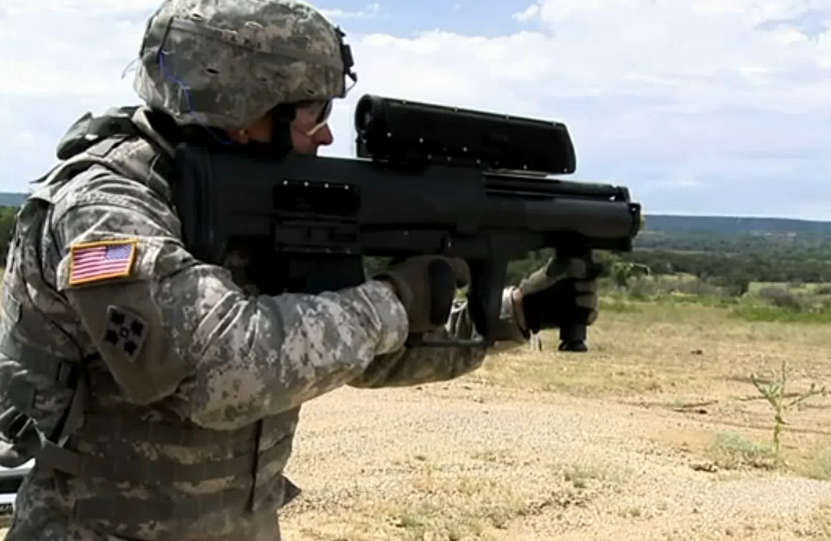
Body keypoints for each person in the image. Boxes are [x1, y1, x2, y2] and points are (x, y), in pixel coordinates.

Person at [0, 0, 598, 540]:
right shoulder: (105, 206)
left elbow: (353, 352)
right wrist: (393, 300)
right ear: (245, 107)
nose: (327, 133)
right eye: (314, 113)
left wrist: (516, 313)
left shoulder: (257, 200)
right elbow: (218, 374)